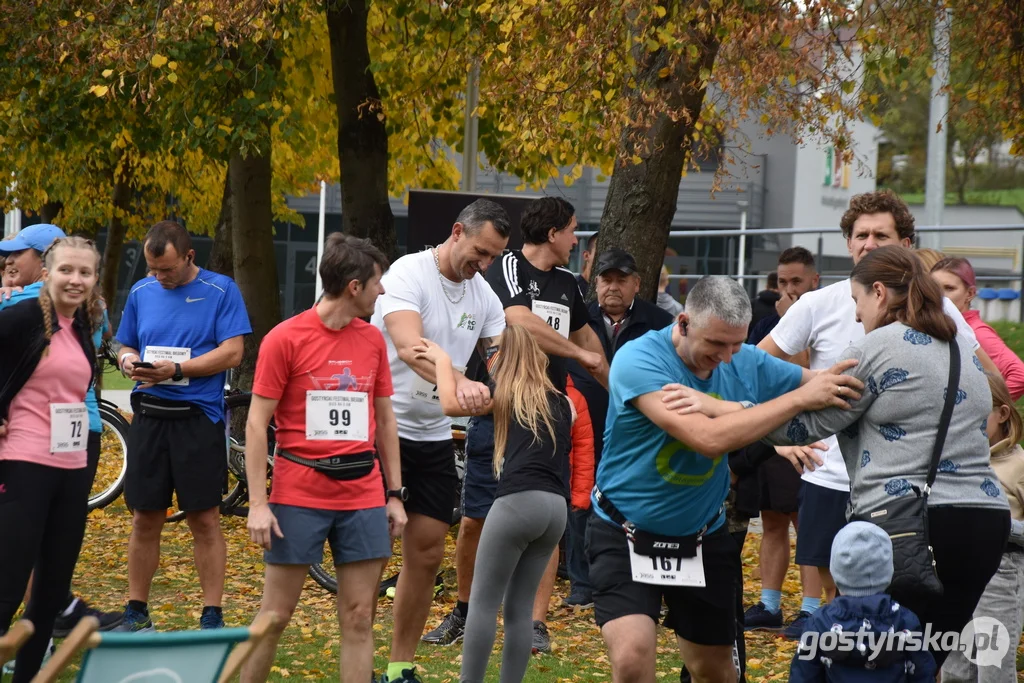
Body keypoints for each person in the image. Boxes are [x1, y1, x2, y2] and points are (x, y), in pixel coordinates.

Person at [590, 275, 862, 683]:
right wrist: (790, 408)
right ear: (682, 323)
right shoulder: (639, 359)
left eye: (735, 344)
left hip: (701, 535)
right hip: (625, 529)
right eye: (716, 345)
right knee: (632, 658)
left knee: (716, 671)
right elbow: (706, 438)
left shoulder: (745, 358)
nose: (727, 358)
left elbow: (824, 388)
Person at [764, 245, 1011, 668]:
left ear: (878, 292)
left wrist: (737, 412)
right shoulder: (961, 351)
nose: (857, 316)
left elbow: (802, 428)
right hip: (984, 521)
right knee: (925, 658)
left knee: (871, 661)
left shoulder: (876, 348)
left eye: (857, 301)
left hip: (910, 526)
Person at [757, 190, 992, 606]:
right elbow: (757, 366)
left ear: (905, 246)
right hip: (843, 480)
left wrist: (751, 421)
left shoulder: (906, 329)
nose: (868, 243)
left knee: (875, 616)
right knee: (873, 609)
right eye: (860, 234)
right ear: (848, 242)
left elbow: (989, 380)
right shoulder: (817, 303)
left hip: (903, 499)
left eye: (879, 235)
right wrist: (786, 439)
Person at [425, 197, 608, 655]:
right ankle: (465, 612)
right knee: (475, 519)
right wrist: (580, 355)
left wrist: (625, 392)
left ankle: (535, 623)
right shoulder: (507, 267)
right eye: (572, 230)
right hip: (501, 409)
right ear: (553, 233)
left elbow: (593, 348)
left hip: (549, 419)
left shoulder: (569, 283)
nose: (575, 239)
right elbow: (518, 319)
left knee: (550, 520)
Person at [240, 234, 406, 683]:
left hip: (363, 494)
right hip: (300, 493)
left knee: (358, 615)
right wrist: (258, 503)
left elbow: (385, 421)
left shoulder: (373, 340)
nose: (383, 291)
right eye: (378, 282)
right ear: (354, 286)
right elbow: (257, 425)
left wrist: (395, 495)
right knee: (274, 615)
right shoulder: (285, 339)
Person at [371, 199, 510, 683]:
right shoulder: (408, 274)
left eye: (493, 257)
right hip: (380, 428)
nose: (484, 265)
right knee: (372, 552)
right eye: (480, 251)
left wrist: (506, 389)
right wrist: (457, 378)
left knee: (427, 553)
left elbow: (499, 363)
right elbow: (410, 348)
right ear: (456, 232)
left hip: (432, 435)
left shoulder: (484, 296)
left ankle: (398, 665)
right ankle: (357, 654)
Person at [414, 325, 575, 683]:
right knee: (520, 611)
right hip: (555, 511)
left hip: (517, 503)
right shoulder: (563, 402)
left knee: (484, 605)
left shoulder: (503, 393)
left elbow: (451, 404)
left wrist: (442, 360)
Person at [114, 220, 252, 632]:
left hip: (198, 419)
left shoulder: (221, 289)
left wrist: (177, 368)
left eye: (167, 270)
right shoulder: (142, 292)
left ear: (190, 257)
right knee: (145, 516)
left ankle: (212, 614)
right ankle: (136, 611)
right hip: (150, 417)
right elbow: (125, 343)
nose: (159, 277)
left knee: (204, 518)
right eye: (153, 269)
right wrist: (126, 360)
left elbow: (232, 353)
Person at [0, 224, 122, 638]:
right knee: (9, 584)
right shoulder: (20, 315)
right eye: (67, 270)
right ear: (48, 272)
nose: (76, 279)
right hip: (25, 462)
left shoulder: (83, 324)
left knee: (49, 592)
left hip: (71, 462)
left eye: (85, 273)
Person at [567, 248, 673, 606]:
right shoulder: (574, 321)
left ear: (637, 284)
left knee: (635, 503)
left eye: (621, 280)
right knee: (582, 501)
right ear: (595, 282)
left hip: (638, 434)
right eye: (606, 279)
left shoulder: (659, 322)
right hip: (584, 428)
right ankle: (582, 585)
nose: (613, 287)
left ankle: (639, 580)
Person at [742, 247, 823, 638]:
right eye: (782, 282)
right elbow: (753, 374)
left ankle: (810, 608)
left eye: (796, 282)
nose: (787, 290)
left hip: (806, 436)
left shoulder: (820, 320)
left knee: (804, 523)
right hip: (769, 436)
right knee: (772, 521)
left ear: (813, 282)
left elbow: (805, 374)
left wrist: (795, 325)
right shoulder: (764, 326)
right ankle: (769, 603)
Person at [941, 372, 1024, 683]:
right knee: (954, 667)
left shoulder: (1018, 466)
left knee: (993, 669)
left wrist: (996, 525)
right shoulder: (955, 460)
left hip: (1000, 577)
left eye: (977, 414)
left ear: (1002, 414)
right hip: (955, 575)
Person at [788, 522, 936, 683]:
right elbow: (922, 674)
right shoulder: (904, 620)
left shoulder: (820, 622)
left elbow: (803, 676)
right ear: (889, 569)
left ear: (836, 570)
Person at [931, 256, 1024, 400]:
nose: (940, 296)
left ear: (970, 294)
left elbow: (1020, 376)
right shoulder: (940, 326)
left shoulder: (977, 332)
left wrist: (988, 410)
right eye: (933, 288)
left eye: (949, 288)